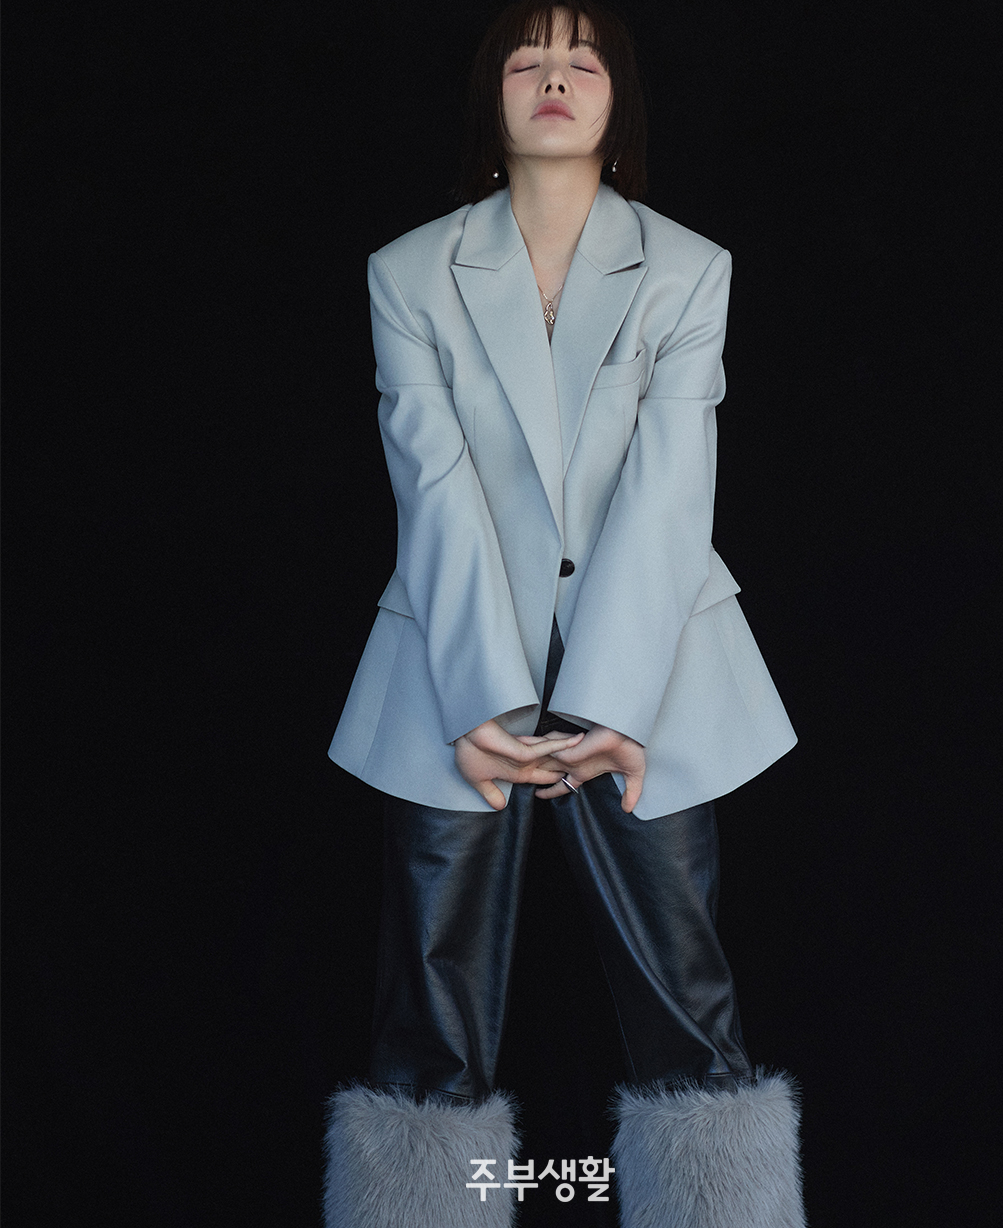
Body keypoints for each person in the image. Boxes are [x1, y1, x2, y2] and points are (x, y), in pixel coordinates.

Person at [323, 4, 805, 1225]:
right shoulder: (407, 270)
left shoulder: (690, 267)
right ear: (489, 95)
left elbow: (669, 493)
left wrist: (612, 705)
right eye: (526, 59)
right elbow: (431, 488)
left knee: (687, 999)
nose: (553, 76)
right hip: (451, 664)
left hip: (654, 668)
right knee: (428, 1010)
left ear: (616, 99)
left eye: (582, 60)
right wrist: (481, 702)